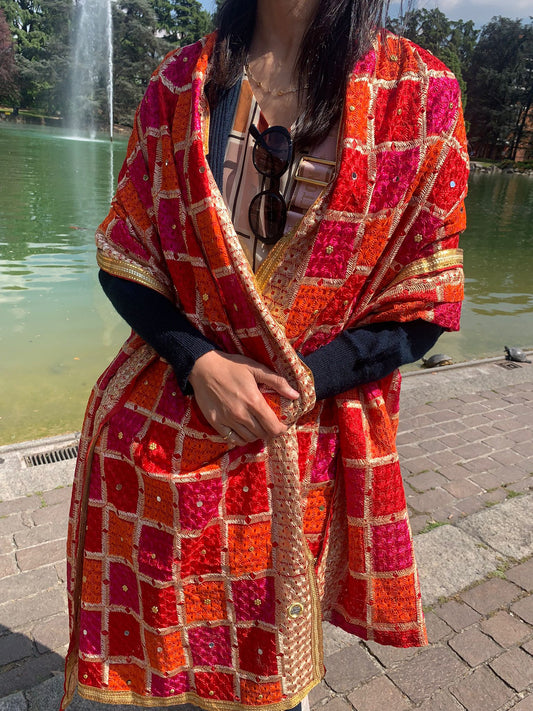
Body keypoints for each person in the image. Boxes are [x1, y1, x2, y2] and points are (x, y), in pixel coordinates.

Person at [61, 0, 468, 708]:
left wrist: (309, 378)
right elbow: (123, 253)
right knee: (157, 660)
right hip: (161, 438)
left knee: (267, 674)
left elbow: (425, 294)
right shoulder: (181, 84)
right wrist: (196, 361)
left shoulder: (419, 93)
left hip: (294, 440)